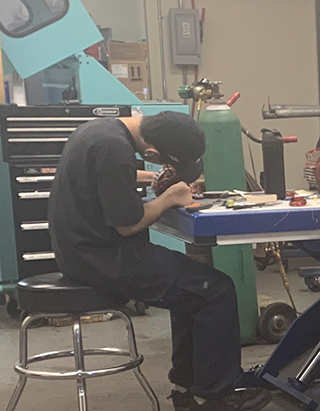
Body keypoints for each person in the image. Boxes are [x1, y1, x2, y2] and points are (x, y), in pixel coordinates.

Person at [47, 111, 271, 411]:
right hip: (105, 261)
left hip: (83, 252)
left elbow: (109, 177)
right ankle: (213, 398)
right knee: (216, 290)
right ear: (151, 152)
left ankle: (187, 389)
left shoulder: (100, 131)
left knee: (189, 291)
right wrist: (170, 198)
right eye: (167, 163)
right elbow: (127, 225)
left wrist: (155, 179)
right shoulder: (115, 149)